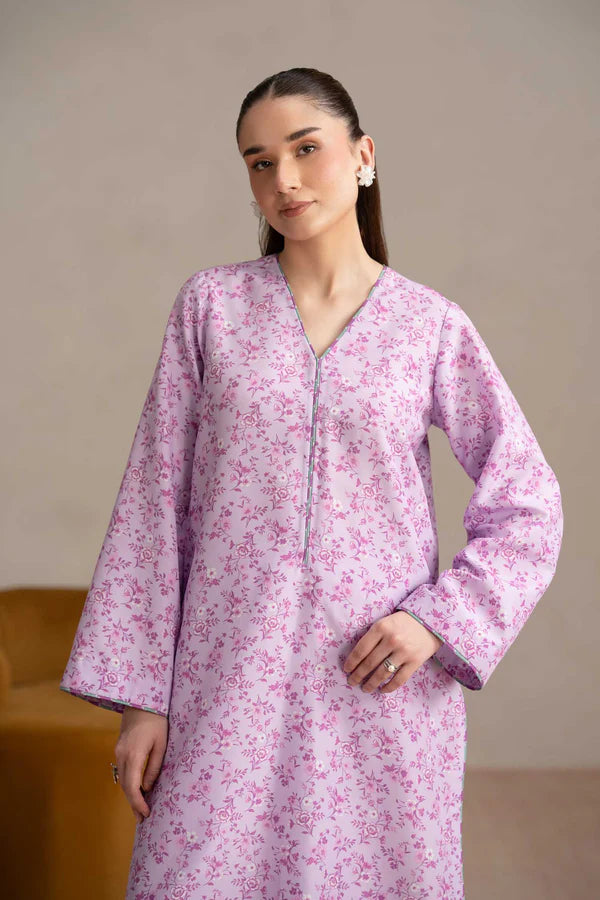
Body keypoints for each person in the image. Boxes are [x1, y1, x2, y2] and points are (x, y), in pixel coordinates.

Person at [60, 67, 563, 899]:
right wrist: (143, 700)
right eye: (259, 162)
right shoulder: (211, 308)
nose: (284, 180)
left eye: (305, 150)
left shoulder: (430, 327)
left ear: (363, 156)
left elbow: (528, 503)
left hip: (380, 694)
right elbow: (154, 503)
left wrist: (437, 621)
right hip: (225, 684)